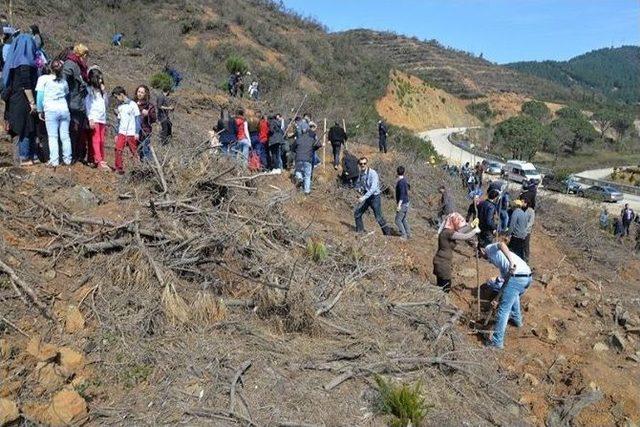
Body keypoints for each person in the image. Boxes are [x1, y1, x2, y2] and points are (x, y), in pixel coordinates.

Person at [481, 240, 533, 349]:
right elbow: (505, 283)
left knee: (503, 311)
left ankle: (496, 342)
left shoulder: (489, 249)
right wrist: (497, 298)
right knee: (513, 295)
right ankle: (516, 319)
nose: (482, 257)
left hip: (518, 277)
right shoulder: (497, 259)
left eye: (480, 255)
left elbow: (501, 244)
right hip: (527, 277)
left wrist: (511, 262)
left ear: (482, 250)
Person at [3, 34, 39, 165]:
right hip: (22, 100)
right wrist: (32, 102)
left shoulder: (14, 61)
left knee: (28, 126)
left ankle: (30, 155)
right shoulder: (24, 62)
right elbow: (26, 84)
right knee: (25, 126)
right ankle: (25, 157)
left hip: (16, 99)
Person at [36, 60, 71, 167]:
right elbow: (67, 96)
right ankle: (67, 159)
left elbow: (40, 96)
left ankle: (54, 161)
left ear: (50, 68)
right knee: (65, 136)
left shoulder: (43, 79)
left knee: (53, 136)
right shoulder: (64, 81)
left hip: (51, 110)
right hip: (64, 109)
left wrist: (39, 110)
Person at [433, 213, 479, 292]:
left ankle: (439, 299)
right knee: (446, 285)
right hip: (442, 262)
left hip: (442, 261)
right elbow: (464, 236)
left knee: (442, 285)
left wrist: (472, 225)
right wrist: (475, 231)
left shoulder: (448, 230)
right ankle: (440, 301)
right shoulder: (448, 233)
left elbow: (461, 232)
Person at [62, 44, 89, 164]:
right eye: (85, 55)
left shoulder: (80, 66)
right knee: (72, 130)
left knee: (77, 131)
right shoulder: (70, 64)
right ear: (81, 54)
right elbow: (64, 82)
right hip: (72, 102)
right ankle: (70, 156)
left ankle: (76, 155)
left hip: (79, 102)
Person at [354, 158, 390, 235]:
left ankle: (388, 234)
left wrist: (363, 197)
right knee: (357, 213)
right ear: (359, 165)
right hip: (367, 197)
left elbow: (373, 188)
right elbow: (358, 184)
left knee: (378, 217)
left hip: (374, 197)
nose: (362, 165)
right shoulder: (361, 173)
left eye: (364, 163)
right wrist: (358, 189)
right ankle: (360, 232)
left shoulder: (373, 173)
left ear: (367, 164)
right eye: (361, 164)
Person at [111, 86, 140, 174]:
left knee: (133, 151)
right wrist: (116, 133)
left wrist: (137, 132)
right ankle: (119, 168)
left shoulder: (133, 104)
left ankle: (138, 169)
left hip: (131, 132)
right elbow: (118, 121)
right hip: (121, 132)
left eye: (117, 97)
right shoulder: (120, 107)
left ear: (122, 94)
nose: (116, 99)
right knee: (118, 149)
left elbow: (137, 119)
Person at [85, 67, 109, 170]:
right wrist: (90, 118)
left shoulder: (101, 91)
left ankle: (101, 159)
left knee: (102, 140)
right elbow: (87, 104)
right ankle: (98, 160)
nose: (100, 80)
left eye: (101, 78)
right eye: (98, 78)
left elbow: (106, 104)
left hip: (102, 118)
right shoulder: (89, 90)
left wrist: (105, 93)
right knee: (96, 139)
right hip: (94, 118)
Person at [291, 127, 322, 194]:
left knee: (298, 171)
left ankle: (300, 178)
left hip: (298, 159)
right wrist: (314, 145)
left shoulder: (298, 139)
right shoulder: (311, 140)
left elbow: (292, 148)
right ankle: (307, 191)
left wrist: (297, 151)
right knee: (307, 175)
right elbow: (319, 145)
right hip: (308, 159)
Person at [134, 85, 157, 161]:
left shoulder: (149, 106)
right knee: (134, 151)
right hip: (133, 131)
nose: (140, 94)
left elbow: (154, 119)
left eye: (142, 92)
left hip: (145, 131)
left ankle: (148, 168)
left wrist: (148, 114)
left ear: (145, 94)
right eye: (139, 92)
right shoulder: (133, 104)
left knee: (145, 150)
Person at [395, 166, 411, 239]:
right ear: (404, 172)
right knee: (403, 219)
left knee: (397, 220)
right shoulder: (404, 180)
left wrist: (399, 205)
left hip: (403, 203)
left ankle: (404, 235)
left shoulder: (401, 182)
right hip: (406, 202)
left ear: (397, 172)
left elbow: (401, 195)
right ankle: (408, 234)